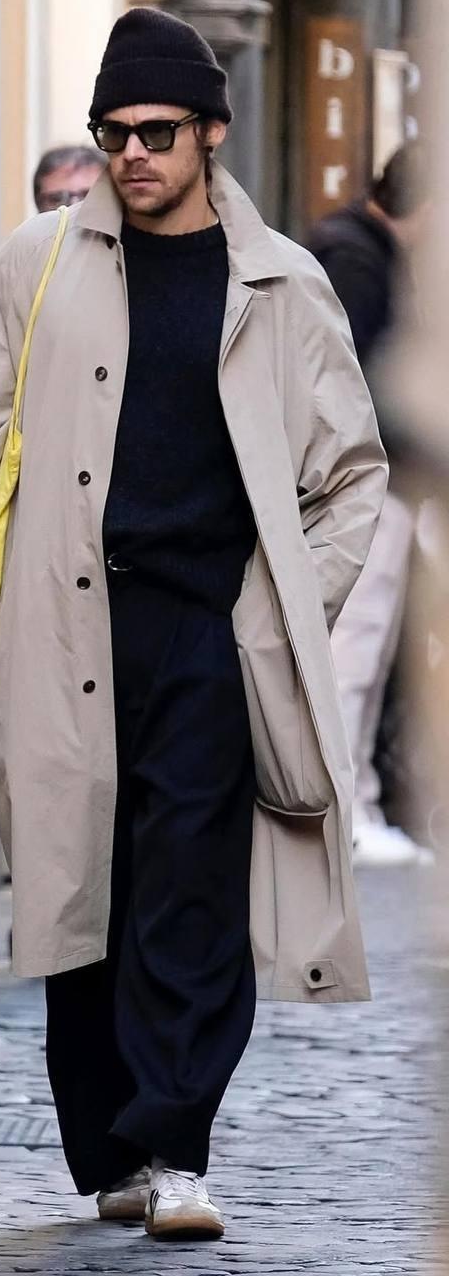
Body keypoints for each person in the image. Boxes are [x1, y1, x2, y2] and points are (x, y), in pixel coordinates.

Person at [0, 7, 386, 1242]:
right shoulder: (37, 263)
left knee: (193, 896)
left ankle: (176, 1148)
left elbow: (350, 474)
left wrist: (284, 612)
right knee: (81, 888)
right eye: (114, 134)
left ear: (212, 132)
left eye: (157, 132)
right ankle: (110, 1141)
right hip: (64, 628)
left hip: (216, 632)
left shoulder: (282, 281)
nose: (133, 154)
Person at [310, 143, 431, 866]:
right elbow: (354, 380)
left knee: (371, 641)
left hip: (377, 476)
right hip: (362, 480)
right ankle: (345, 810)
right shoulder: (354, 258)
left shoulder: (362, 249)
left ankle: (360, 803)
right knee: (355, 641)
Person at [0, 144, 107, 360]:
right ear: (38, 205)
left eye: (87, 196)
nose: (72, 208)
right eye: (57, 199)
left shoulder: (132, 289)